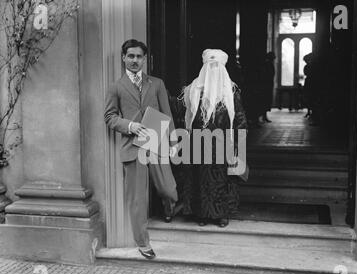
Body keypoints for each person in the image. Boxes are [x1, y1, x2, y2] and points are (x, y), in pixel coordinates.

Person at [104, 39, 178, 260]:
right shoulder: (116, 86)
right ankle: (143, 243)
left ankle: (169, 203)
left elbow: (167, 114)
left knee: (168, 188)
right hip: (132, 146)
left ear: (145, 59)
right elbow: (109, 117)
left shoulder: (156, 84)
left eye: (139, 57)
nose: (135, 60)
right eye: (131, 56)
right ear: (123, 58)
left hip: (156, 141)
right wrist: (129, 125)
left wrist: (174, 142)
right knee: (137, 199)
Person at [180, 49, 248, 228]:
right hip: (199, 144)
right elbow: (185, 117)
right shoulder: (193, 90)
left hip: (223, 144)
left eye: (217, 66)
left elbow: (240, 118)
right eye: (210, 66)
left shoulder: (231, 92)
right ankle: (201, 213)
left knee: (221, 180)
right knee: (200, 180)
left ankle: (221, 215)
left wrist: (238, 147)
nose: (213, 70)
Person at [258, 51, 276, 123]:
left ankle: (264, 116)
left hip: (268, 84)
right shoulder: (267, 64)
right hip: (266, 85)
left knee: (266, 101)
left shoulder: (268, 64)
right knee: (265, 101)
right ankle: (263, 116)